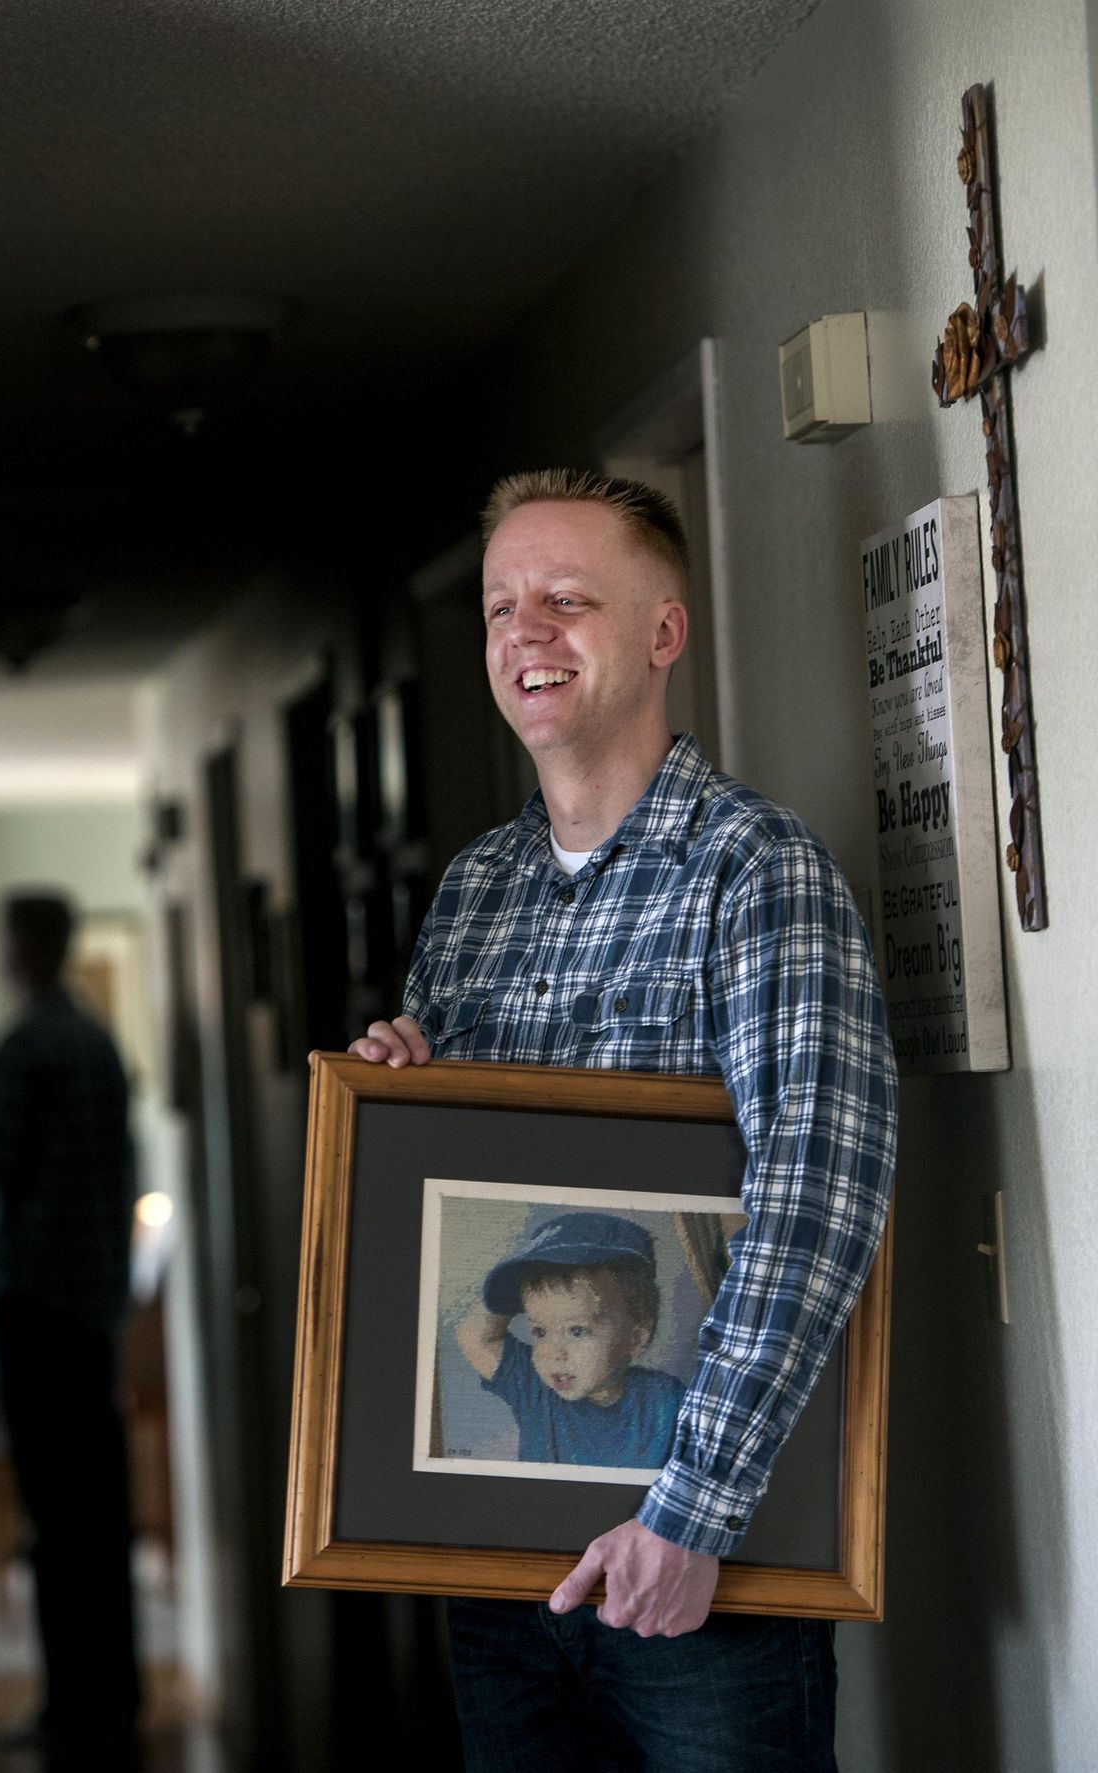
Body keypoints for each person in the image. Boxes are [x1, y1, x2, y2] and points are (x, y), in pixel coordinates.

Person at [350, 470, 898, 1771]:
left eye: (566, 599)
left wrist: (691, 1519)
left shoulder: (760, 874)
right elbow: (452, 1187)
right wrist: (394, 1089)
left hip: (697, 1576)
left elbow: (816, 1206)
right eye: (499, 606)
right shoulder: (476, 892)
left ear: (662, 633)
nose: (523, 631)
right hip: (497, 1574)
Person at [0, 892, 140, 1762]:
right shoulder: (99, 1045)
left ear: (24, 946)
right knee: (98, 1517)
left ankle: (68, 1711)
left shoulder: (23, 1047)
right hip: (92, 1311)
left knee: (51, 1516)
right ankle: (115, 1698)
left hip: (33, 1311)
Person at [456, 1210, 684, 1468]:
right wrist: (519, 1288)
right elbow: (474, 1335)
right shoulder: (534, 1389)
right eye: (540, 1332)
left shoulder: (666, 1400)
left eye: (576, 1331)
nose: (553, 1353)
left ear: (637, 1337)